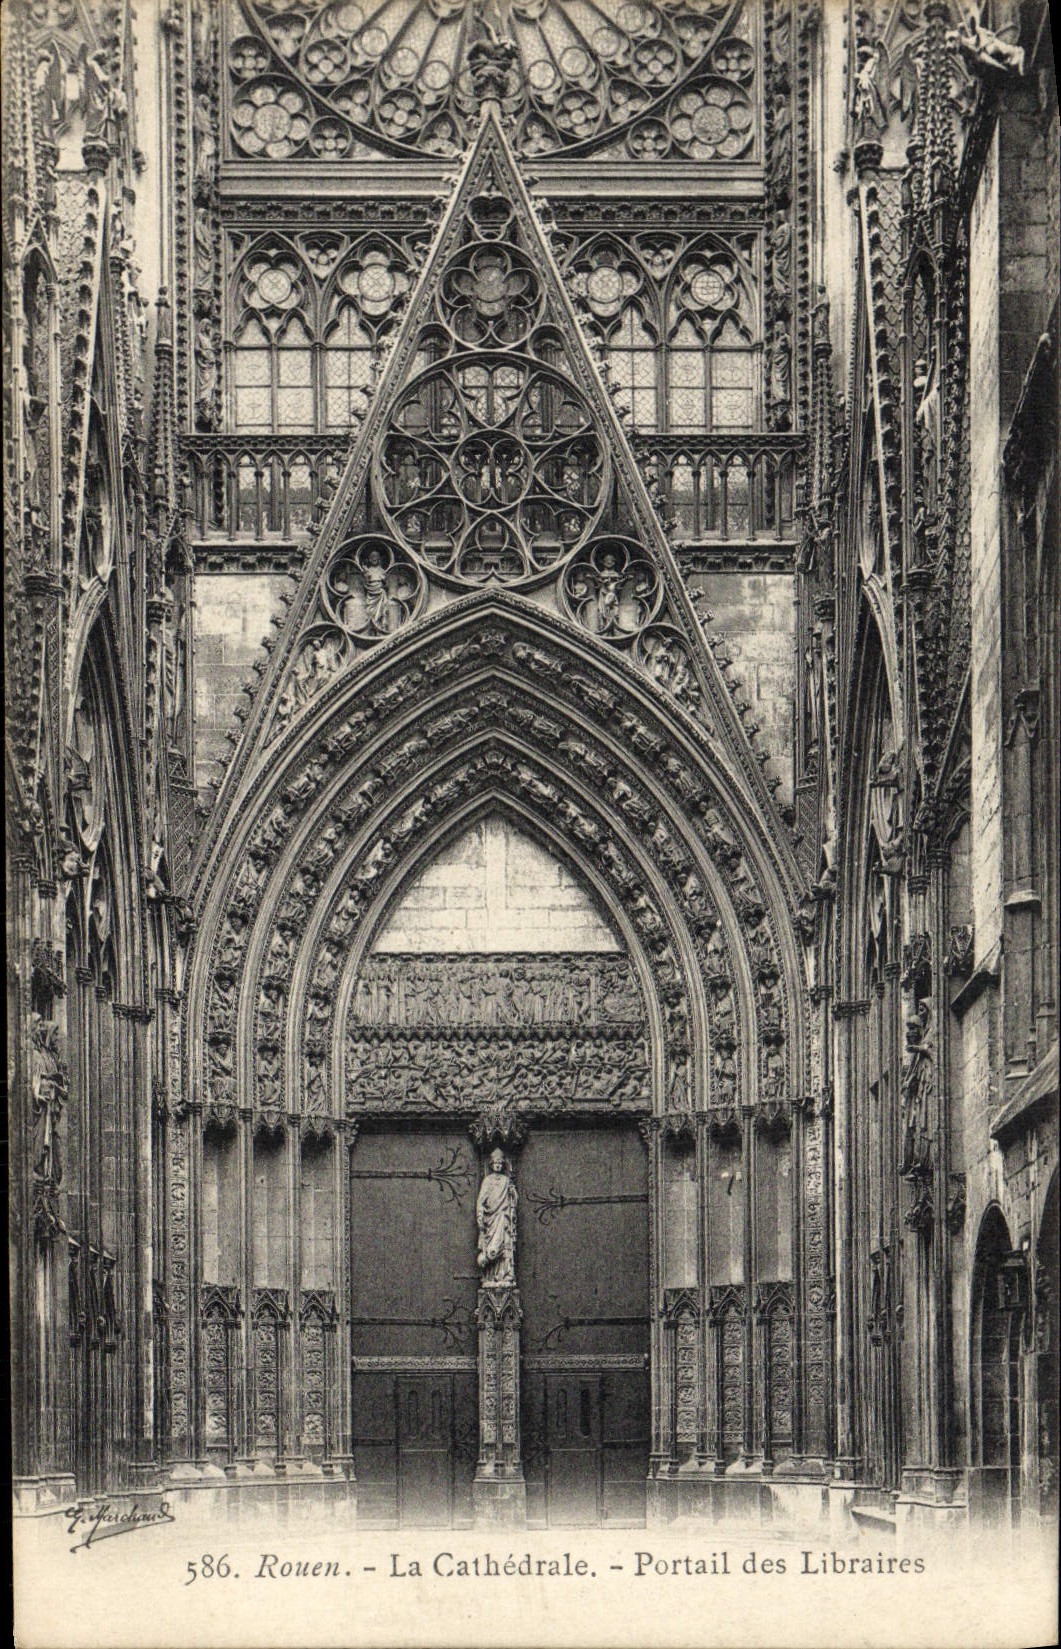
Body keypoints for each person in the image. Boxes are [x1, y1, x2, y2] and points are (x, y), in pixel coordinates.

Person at [476, 1149, 517, 1287]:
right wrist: (480, 1216)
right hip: (490, 1219)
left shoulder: (507, 1180)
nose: (498, 1165)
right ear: (491, 1164)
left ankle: (505, 1274)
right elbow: (481, 1201)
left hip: (502, 1216)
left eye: (500, 1163)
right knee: (491, 1248)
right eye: (496, 1163)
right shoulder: (487, 1181)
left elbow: (513, 1201)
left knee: (504, 1245)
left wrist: (513, 1193)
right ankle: (490, 1275)